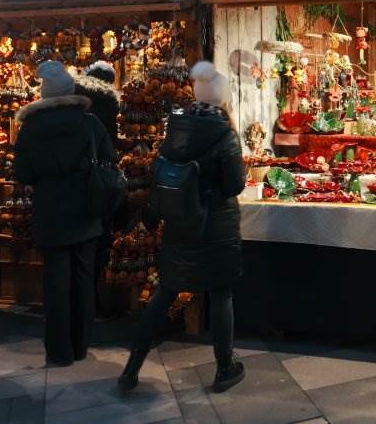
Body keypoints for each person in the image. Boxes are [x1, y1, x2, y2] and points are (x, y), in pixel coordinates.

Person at [120, 62, 246, 393]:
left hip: (180, 224)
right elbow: (235, 185)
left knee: (165, 292)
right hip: (216, 226)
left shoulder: (175, 130)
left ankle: (131, 368)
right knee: (220, 294)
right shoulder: (225, 134)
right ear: (222, 99)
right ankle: (224, 368)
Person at [15, 61, 113, 366]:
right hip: (86, 208)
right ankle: (80, 345)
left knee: (55, 281)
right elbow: (109, 157)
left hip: (50, 210)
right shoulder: (90, 123)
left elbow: (23, 173)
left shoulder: (30, 127)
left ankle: (59, 351)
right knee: (83, 279)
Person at [74, 60, 121, 317]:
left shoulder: (73, 103)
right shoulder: (108, 104)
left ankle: (72, 305)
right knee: (98, 244)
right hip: (97, 183)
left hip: (71, 188)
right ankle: (95, 302)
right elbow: (108, 147)